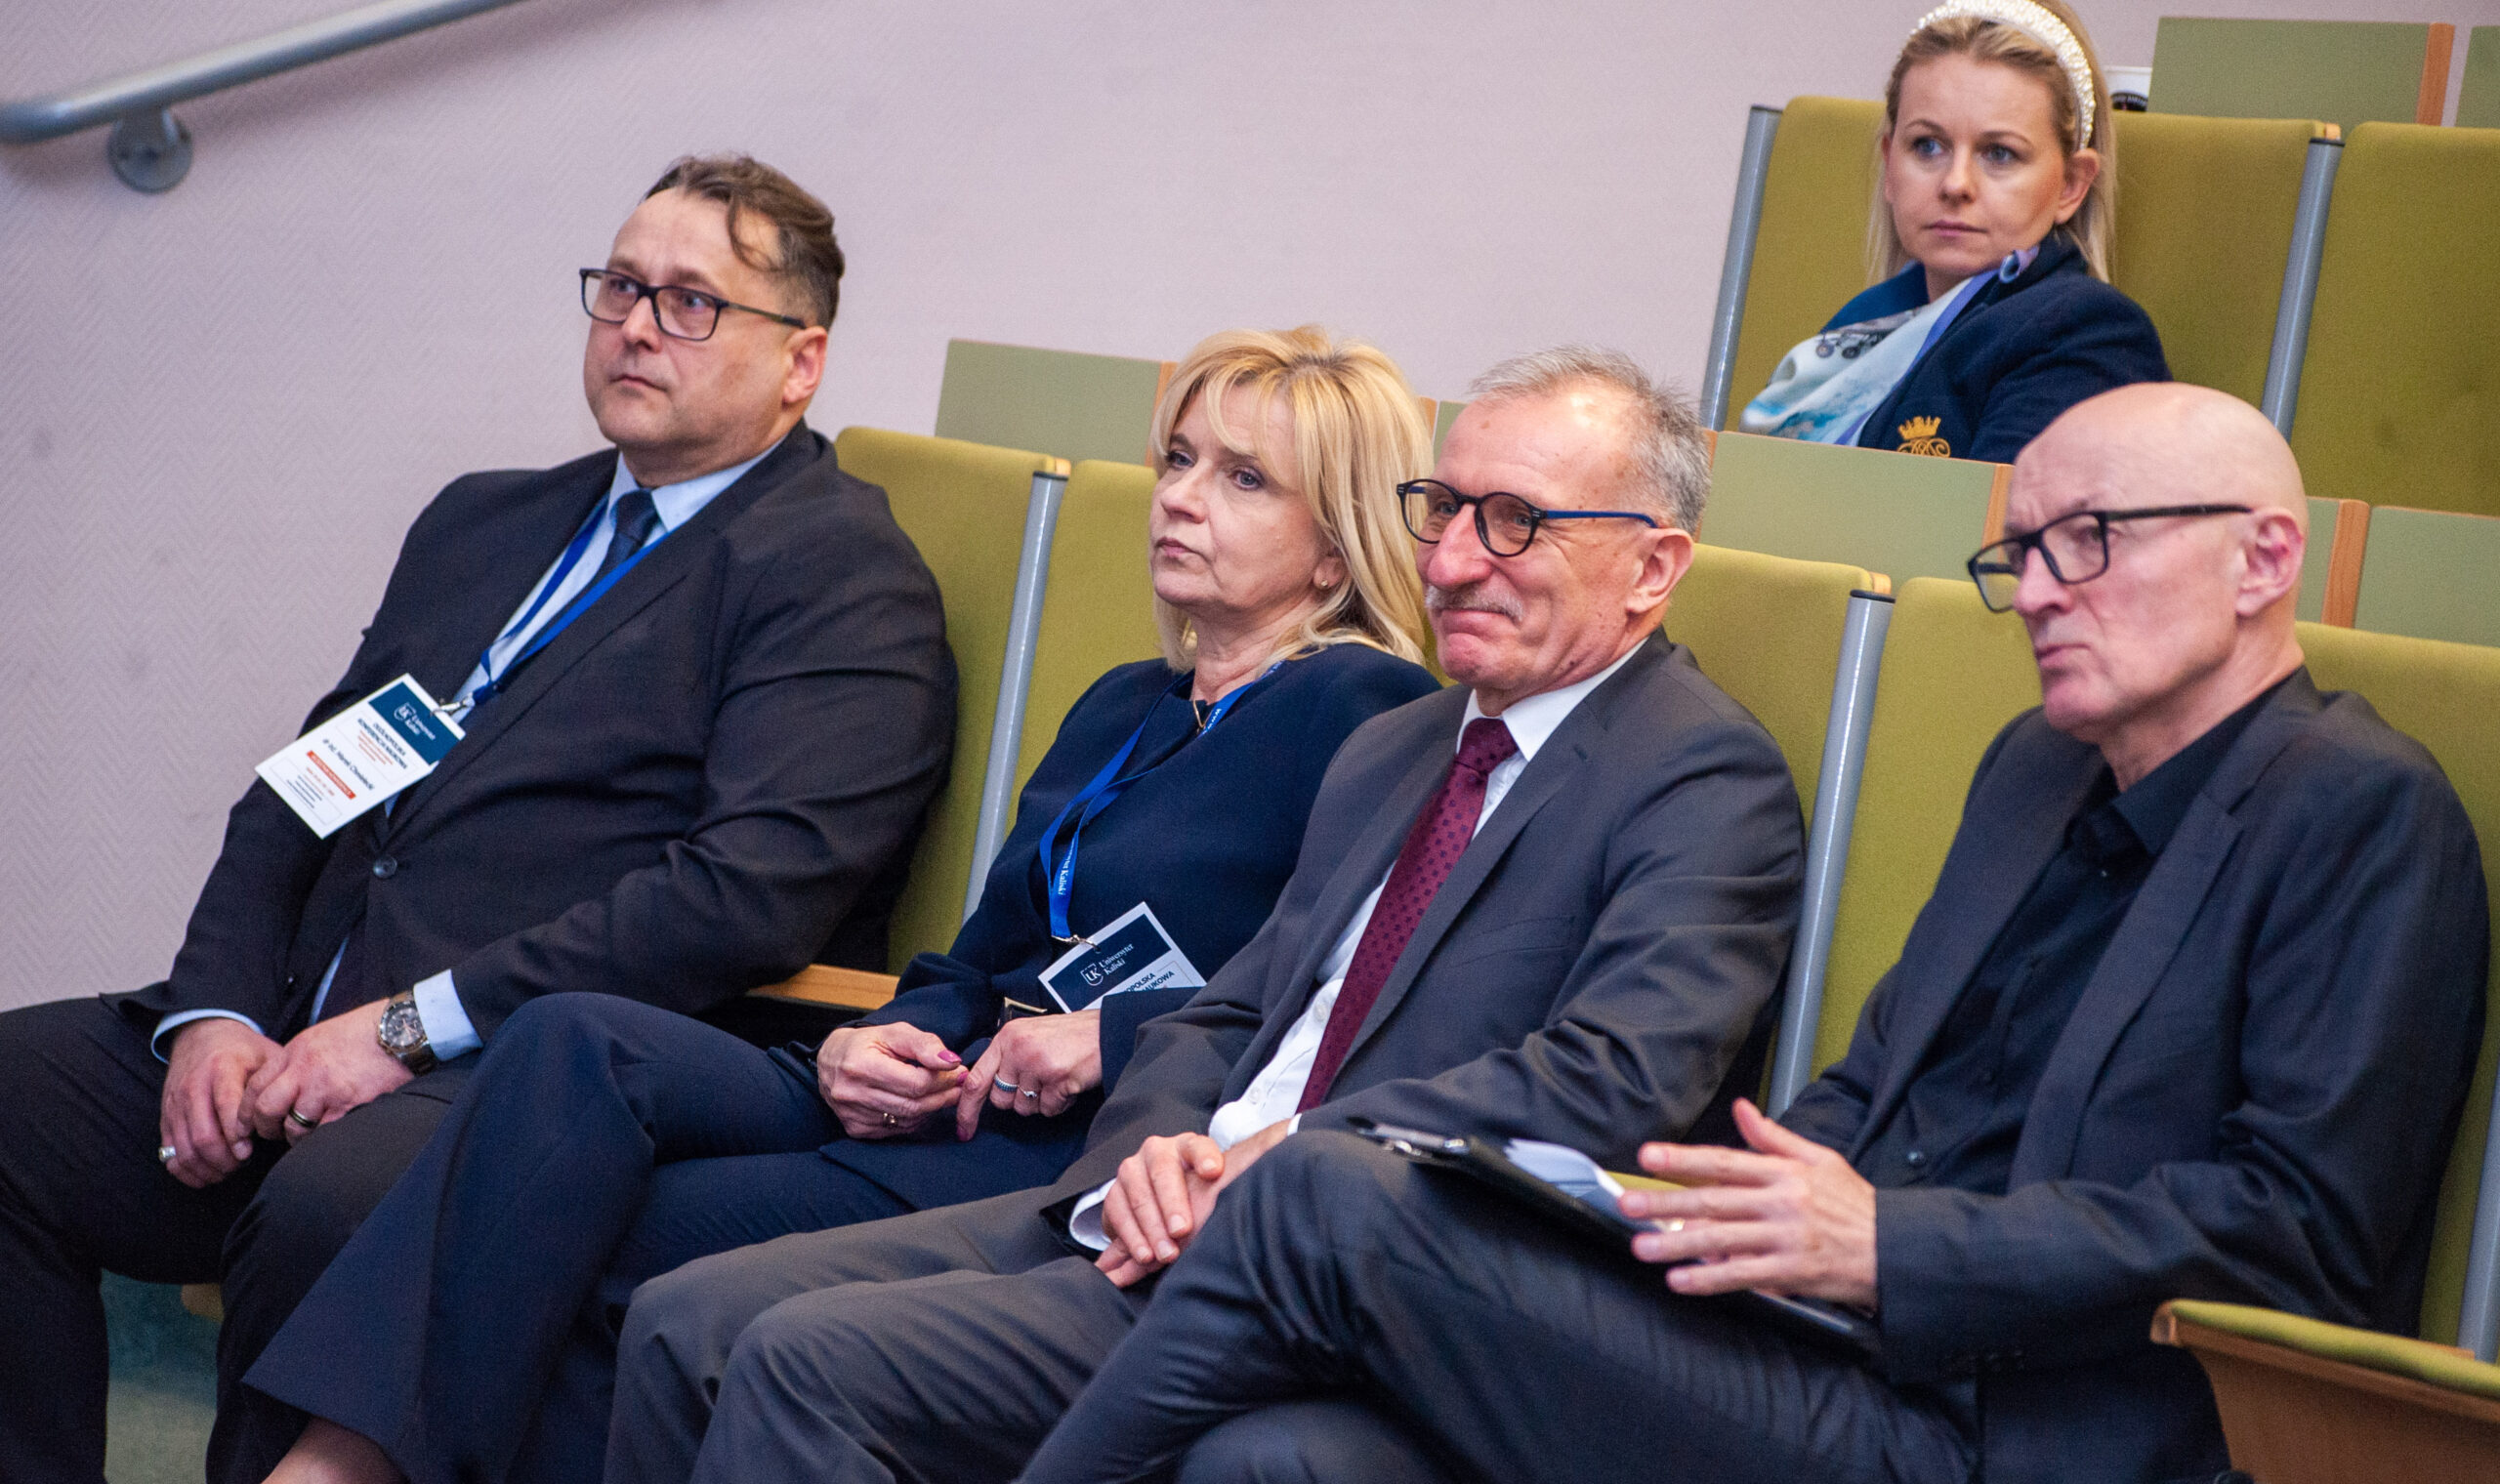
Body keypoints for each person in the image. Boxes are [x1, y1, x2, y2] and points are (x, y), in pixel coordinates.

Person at [1013, 383, 2489, 1484]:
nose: (2038, 592)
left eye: (2088, 544)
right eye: (2022, 551)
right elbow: (1870, 1092)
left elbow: (2298, 1232)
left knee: (1325, 1192)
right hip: (1821, 1343)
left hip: (2028, 1421)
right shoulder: (2036, 769)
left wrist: (1888, 1247)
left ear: (2262, 559)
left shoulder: (2358, 812)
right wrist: (1662, 1213)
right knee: (1277, 1458)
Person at [241, 328, 1444, 1484]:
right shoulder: (1127, 702)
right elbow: (978, 959)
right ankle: (343, 1461)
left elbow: (1348, 989)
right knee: (572, 1041)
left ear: (1333, 551)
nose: (1179, 497)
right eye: (1177, 459)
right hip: (932, 1089)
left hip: (1056, 1147)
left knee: (595, 1234)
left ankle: (344, 1467)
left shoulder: (1365, 710)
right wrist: (880, 1037)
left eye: (1243, 479)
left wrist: (1114, 1035)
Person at [603, 347, 1811, 1484]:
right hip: (1153, 1205)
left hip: (1354, 1261)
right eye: (1442, 510)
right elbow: (1233, 1010)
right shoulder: (1403, 747)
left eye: (1513, 523)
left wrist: (1279, 1160)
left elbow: (1609, 1083)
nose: (1448, 561)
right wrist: (1159, 1150)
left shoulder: (1699, 778)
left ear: (1651, 568)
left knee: (799, 1362)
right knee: (685, 1316)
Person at [0, 155, 960, 1484]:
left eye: (691, 302)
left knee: (329, 1210)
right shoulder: (487, 520)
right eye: (621, 286)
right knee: (12, 1100)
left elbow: (743, 896)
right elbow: (304, 791)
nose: (636, 326)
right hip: (293, 1024)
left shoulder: (838, 576)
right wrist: (214, 1010)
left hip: (507, 1072)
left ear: (801, 362)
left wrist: (403, 1030)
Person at [1740, 0, 2168, 463]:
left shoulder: (2085, 333)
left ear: (2071, 185)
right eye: (1928, 146)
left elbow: (2001, 515)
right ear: (1889, 164)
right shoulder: (1859, 323)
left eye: (1999, 153)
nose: (1955, 184)